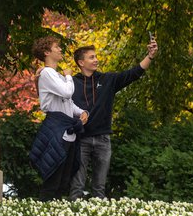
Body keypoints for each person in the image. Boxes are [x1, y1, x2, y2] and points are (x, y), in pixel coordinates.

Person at [69, 36, 159, 200]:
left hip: (103, 139)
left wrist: (150, 56)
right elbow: (52, 95)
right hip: (81, 139)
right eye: (92, 57)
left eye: (96, 56)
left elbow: (134, 73)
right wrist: (39, 77)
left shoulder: (107, 80)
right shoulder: (71, 83)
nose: (96, 60)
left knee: (99, 188)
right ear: (81, 62)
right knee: (77, 187)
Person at [29, 36, 89, 201]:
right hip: (57, 130)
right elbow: (67, 92)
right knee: (53, 181)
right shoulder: (48, 73)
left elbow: (68, 103)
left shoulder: (54, 75)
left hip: (67, 132)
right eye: (57, 47)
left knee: (63, 181)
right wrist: (69, 76)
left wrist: (82, 112)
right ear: (47, 52)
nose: (60, 49)